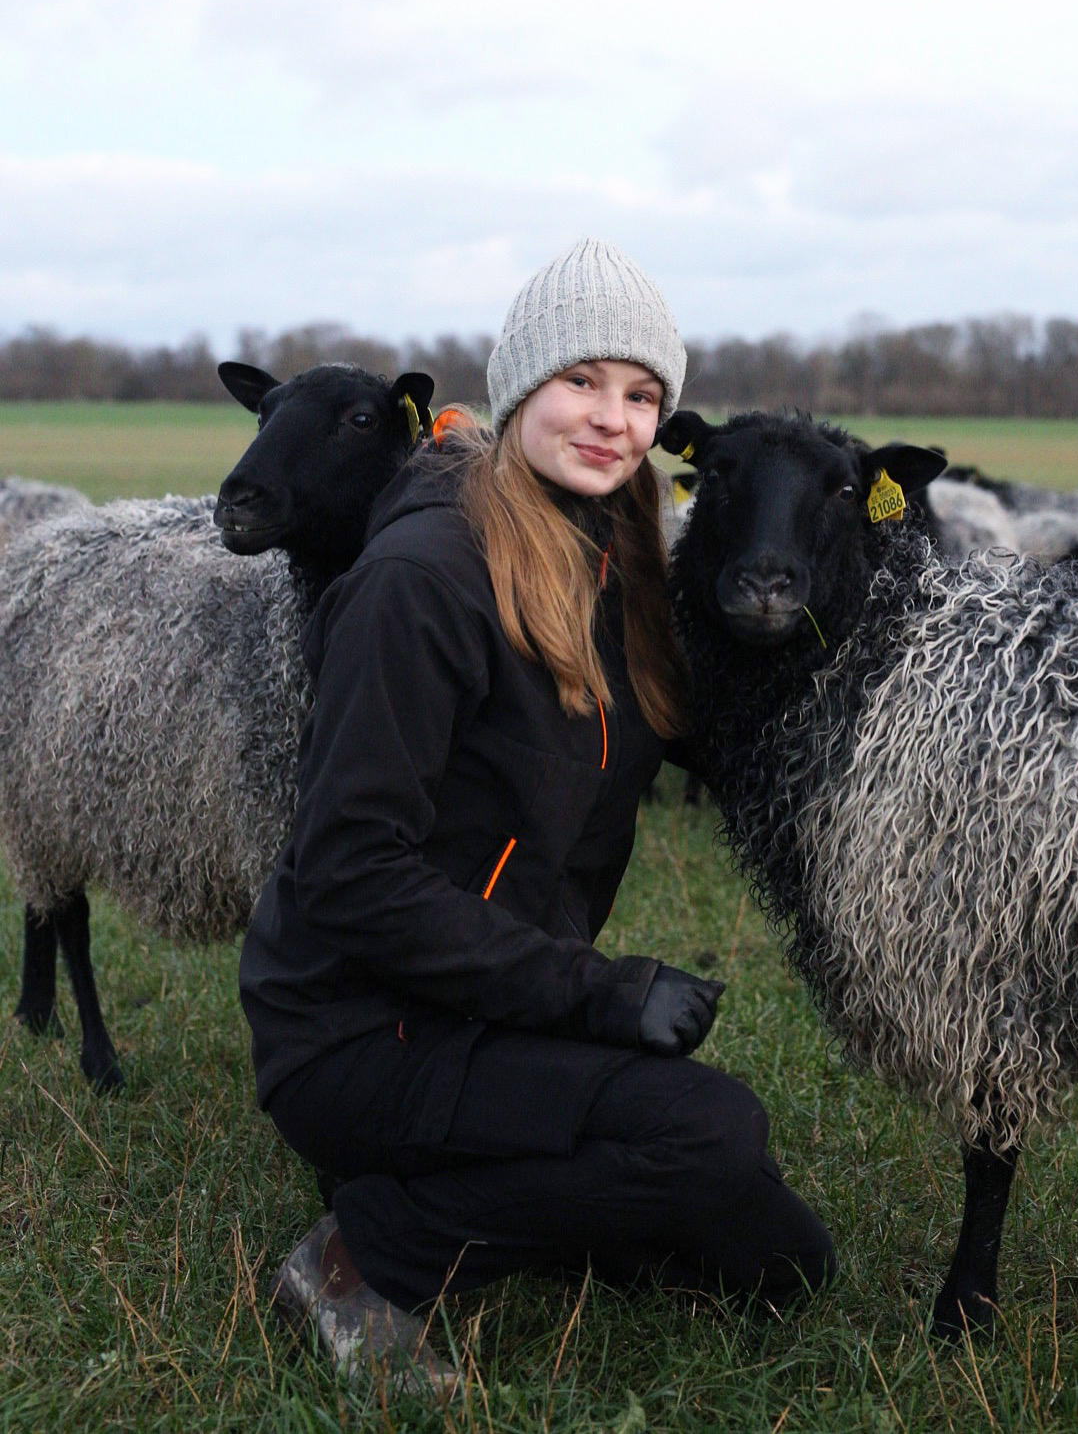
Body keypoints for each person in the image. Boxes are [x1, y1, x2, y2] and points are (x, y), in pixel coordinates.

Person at [239, 238, 835, 1394]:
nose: (613, 418)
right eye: (581, 381)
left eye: (642, 394)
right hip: (360, 1029)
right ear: (519, 385)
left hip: (491, 1001)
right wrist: (603, 996)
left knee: (780, 1265)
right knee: (703, 1133)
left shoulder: (610, 552)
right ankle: (365, 1252)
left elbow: (692, 735)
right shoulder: (422, 580)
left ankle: (486, 1191)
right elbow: (351, 874)